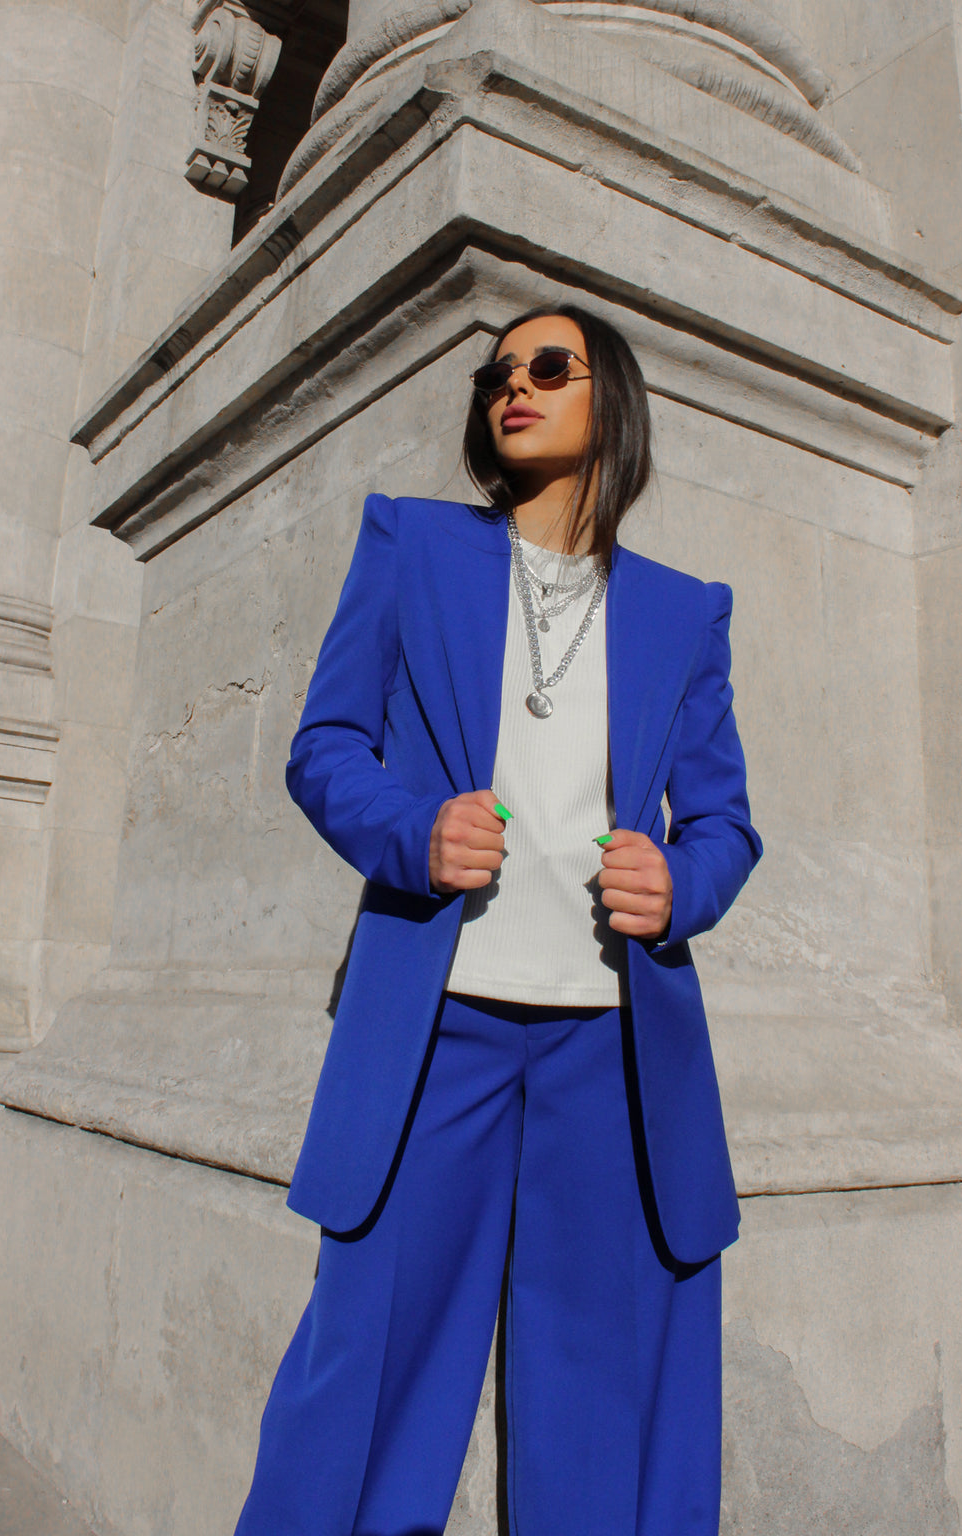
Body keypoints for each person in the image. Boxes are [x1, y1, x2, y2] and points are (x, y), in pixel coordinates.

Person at [233, 304, 762, 1536]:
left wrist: (681, 884)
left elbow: (725, 825)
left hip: (613, 1049)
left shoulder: (683, 611)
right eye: (497, 373)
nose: (513, 385)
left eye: (548, 366)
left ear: (609, 398)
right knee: (367, 1375)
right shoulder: (411, 545)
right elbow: (325, 746)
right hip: (439, 1030)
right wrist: (412, 832)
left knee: (602, 1398)